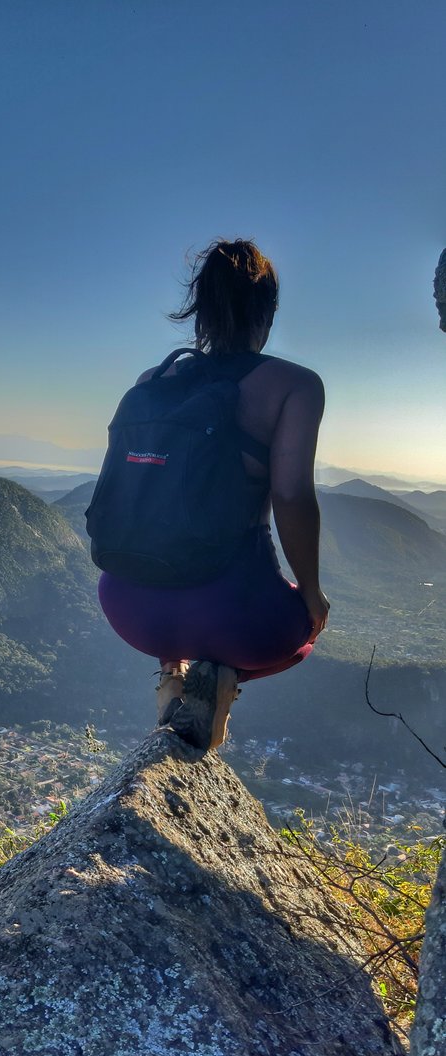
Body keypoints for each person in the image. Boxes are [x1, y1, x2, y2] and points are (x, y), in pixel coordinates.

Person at [96, 239, 330, 750]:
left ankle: (171, 677)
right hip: (233, 611)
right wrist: (310, 589)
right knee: (304, 631)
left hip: (126, 603)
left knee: (175, 558)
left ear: (198, 310)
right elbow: (290, 496)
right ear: (266, 313)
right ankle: (216, 680)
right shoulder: (295, 385)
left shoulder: (153, 381)